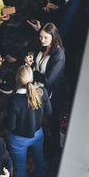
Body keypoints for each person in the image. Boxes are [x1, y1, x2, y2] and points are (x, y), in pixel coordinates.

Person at [7, 65, 52, 177]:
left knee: (20, 167)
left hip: (19, 139)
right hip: (38, 134)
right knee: (39, 159)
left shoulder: (13, 101)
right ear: (31, 78)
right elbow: (49, 112)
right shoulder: (42, 92)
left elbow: (11, 126)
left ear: (17, 79)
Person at [25, 22, 65, 154]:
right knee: (35, 115)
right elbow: (35, 64)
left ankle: (55, 147)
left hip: (51, 93)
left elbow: (48, 80)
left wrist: (33, 71)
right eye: (40, 36)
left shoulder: (59, 55)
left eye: (45, 38)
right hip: (36, 88)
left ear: (53, 37)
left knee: (52, 120)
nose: (42, 40)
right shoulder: (42, 46)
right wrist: (30, 64)